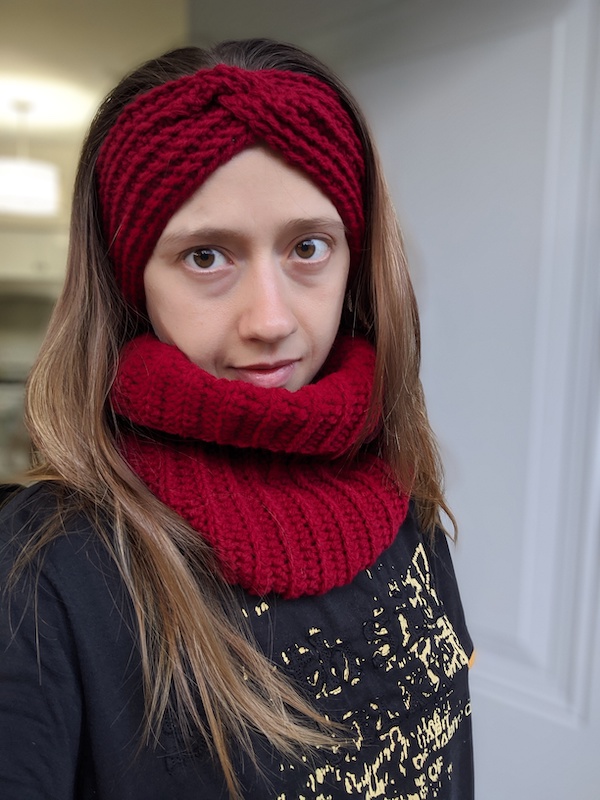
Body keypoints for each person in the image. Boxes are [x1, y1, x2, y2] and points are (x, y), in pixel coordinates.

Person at [0, 39, 474, 800]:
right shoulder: (44, 569)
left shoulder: (403, 490)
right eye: (206, 257)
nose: (271, 320)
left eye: (308, 247)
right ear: (132, 283)